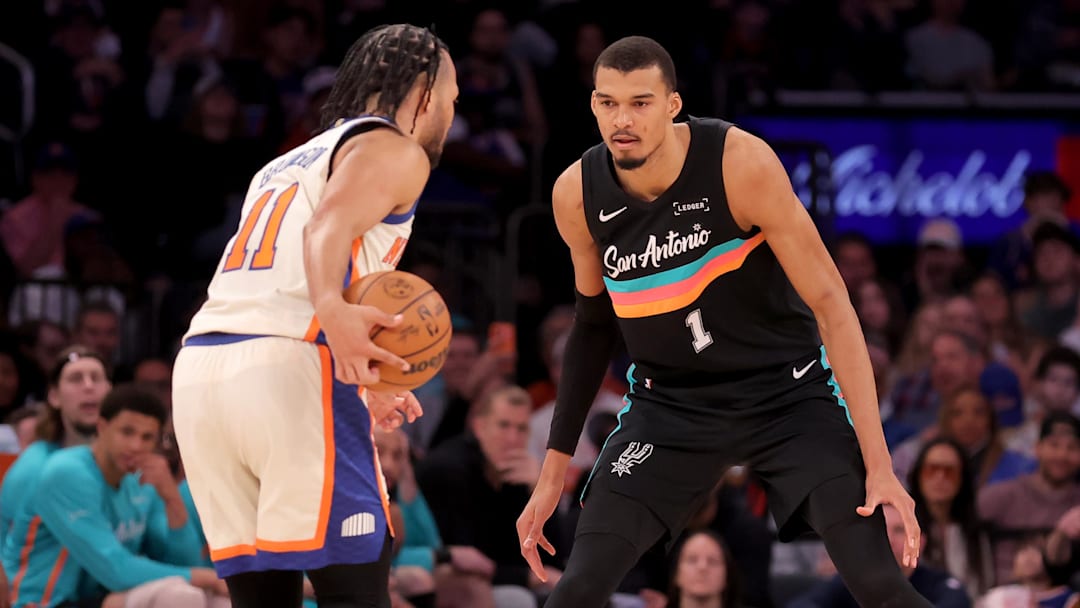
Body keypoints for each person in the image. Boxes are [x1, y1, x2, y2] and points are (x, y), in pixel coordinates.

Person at [516, 36, 928, 608]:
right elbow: (591, 327)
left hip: (786, 396)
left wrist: (879, 465)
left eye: (640, 102)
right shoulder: (576, 194)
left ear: (672, 104)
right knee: (577, 588)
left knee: (880, 585)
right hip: (670, 409)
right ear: (592, 106)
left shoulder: (740, 162)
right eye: (608, 103)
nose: (622, 120)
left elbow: (833, 305)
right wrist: (551, 473)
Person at [170, 23, 457, 608]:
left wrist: (361, 365)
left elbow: (278, 277)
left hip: (203, 373)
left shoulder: (286, 162)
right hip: (289, 366)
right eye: (452, 97)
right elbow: (326, 228)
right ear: (425, 96)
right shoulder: (394, 149)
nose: (453, 112)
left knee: (262, 598)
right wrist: (333, 314)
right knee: (358, 579)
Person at [2, 384, 225, 608]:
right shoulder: (66, 473)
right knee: (180, 597)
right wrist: (209, 577)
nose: (136, 445)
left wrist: (171, 498)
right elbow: (116, 570)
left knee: (219, 602)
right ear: (102, 427)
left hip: (100, 598)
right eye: (127, 432)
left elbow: (183, 563)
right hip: (41, 602)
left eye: (147, 437)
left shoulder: (142, 479)